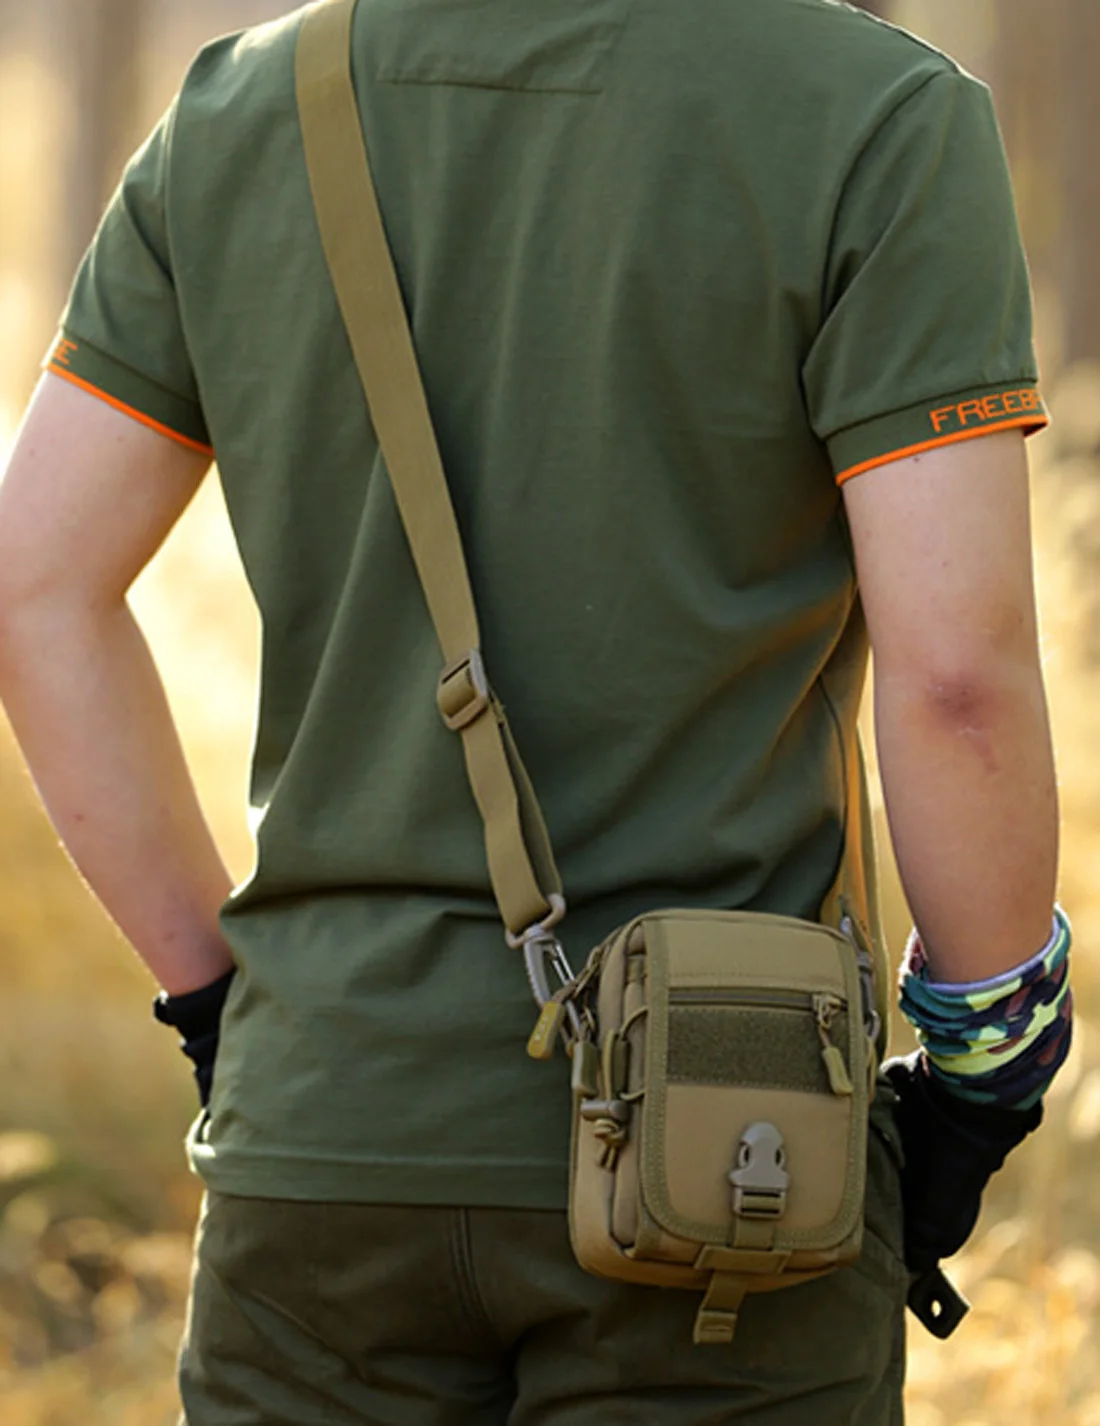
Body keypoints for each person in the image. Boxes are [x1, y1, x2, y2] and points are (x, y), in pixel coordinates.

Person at [0, 0, 1072, 1420]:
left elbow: (34, 590)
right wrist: (984, 1069)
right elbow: (959, 684)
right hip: (730, 1155)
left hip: (327, 1123)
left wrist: (221, 1004)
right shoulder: (877, 116)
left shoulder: (243, 110)